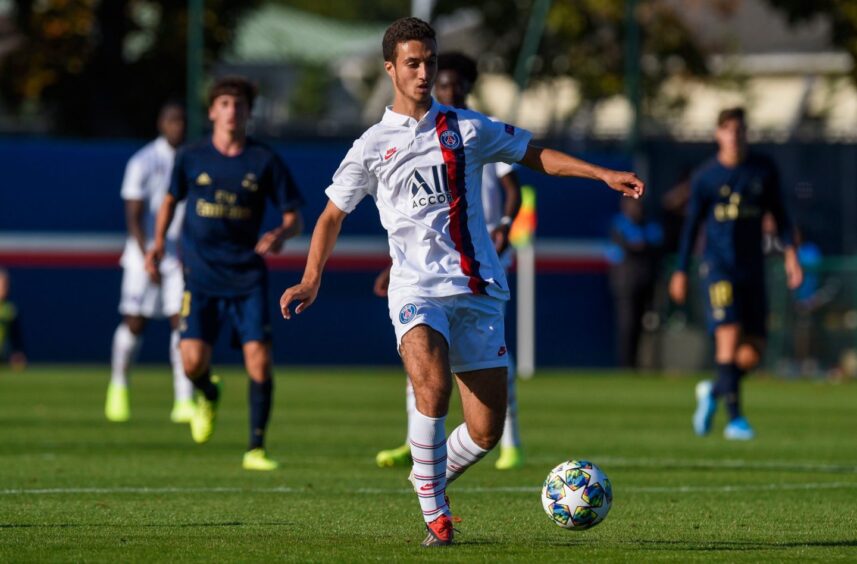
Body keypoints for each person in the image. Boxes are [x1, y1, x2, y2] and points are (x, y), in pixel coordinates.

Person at [279, 17, 644, 547]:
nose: (424, 71)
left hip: (477, 290)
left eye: (429, 60)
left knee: (486, 431)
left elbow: (534, 153)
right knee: (431, 386)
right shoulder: (371, 145)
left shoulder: (466, 128)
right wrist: (311, 278)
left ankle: (426, 476)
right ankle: (437, 516)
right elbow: (332, 216)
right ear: (390, 69)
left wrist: (602, 174)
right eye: (412, 63)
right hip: (416, 289)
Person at [373, 51, 526, 472]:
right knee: (425, 363)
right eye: (444, 84)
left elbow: (514, 185)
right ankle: (418, 445)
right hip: (429, 272)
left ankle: (506, 438)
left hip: (479, 260)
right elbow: (414, 219)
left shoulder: (475, 131)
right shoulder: (402, 137)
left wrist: (507, 224)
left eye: (456, 84)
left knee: (490, 359)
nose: (448, 89)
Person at [145, 76, 304, 471]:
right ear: (213, 110)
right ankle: (207, 392)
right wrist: (157, 242)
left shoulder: (263, 160)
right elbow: (169, 199)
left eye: (240, 104)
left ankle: (255, 447)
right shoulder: (192, 156)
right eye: (225, 103)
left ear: (249, 112)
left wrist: (281, 233)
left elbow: (294, 217)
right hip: (199, 275)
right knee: (192, 364)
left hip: (247, 276)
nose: (232, 111)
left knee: (259, 362)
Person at [669, 107, 803, 440]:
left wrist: (791, 257)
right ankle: (735, 420)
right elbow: (691, 227)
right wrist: (681, 271)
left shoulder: (762, 169)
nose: (734, 136)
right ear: (718, 134)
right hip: (718, 267)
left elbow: (781, 216)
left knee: (753, 351)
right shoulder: (706, 177)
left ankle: (714, 390)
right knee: (728, 336)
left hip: (752, 268)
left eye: (740, 130)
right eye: (728, 130)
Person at [105, 101, 194, 423]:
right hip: (142, 254)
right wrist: (148, 255)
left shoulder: (192, 159)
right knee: (135, 322)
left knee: (180, 323)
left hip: (178, 256)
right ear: (161, 123)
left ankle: (183, 399)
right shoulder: (143, 160)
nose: (178, 127)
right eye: (172, 121)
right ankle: (118, 385)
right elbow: (134, 215)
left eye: (182, 121)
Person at [606, 197, 663, 368]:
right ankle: (626, 365)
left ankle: (645, 364)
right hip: (625, 284)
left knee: (647, 324)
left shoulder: (650, 226)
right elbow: (624, 248)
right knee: (627, 325)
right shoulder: (619, 225)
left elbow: (656, 244)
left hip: (647, 281)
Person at [0, 268, 26, 370]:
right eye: (1, 284)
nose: (4, 288)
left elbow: (17, 337)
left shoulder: (11, 310)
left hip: (5, 358)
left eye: (6, 284)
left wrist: (18, 354)